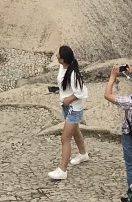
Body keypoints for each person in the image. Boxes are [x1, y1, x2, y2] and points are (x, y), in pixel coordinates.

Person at [48, 44, 90, 180]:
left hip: (74, 109)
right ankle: (83, 154)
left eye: (59, 55)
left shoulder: (73, 74)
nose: (57, 56)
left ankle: (62, 169)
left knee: (65, 138)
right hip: (66, 107)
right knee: (75, 131)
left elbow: (82, 92)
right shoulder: (63, 67)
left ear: (63, 59)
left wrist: (69, 99)